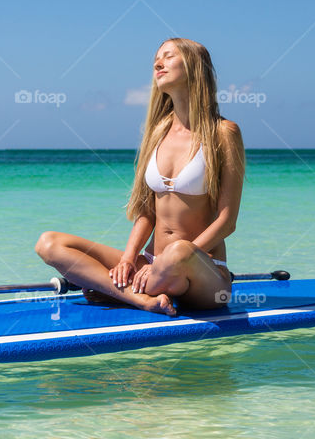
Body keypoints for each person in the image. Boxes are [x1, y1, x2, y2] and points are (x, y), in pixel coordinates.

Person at [36, 38, 245, 315]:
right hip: (151, 263)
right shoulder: (158, 132)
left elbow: (226, 222)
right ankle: (140, 298)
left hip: (204, 274)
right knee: (50, 243)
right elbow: (147, 211)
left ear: (195, 67)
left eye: (168, 57)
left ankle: (112, 289)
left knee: (179, 250)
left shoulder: (224, 133)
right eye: (156, 59)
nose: (158, 64)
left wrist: (174, 260)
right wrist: (128, 259)